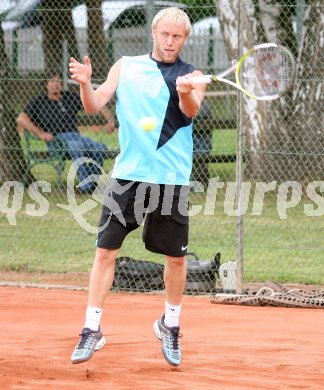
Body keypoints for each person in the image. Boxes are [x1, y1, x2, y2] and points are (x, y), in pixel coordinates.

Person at [69, 7, 205, 367]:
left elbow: (190, 112)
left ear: (184, 39)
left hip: (171, 177)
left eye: (177, 36)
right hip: (128, 174)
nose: (170, 41)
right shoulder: (125, 66)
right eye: (165, 34)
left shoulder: (192, 74)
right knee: (104, 252)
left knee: (176, 259)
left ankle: (170, 325)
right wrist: (85, 82)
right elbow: (95, 102)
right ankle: (91, 329)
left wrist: (187, 91)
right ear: (154, 32)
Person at [17, 73, 115, 193]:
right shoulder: (39, 101)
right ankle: (86, 188)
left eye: (58, 81)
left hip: (76, 136)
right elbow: (21, 118)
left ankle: (91, 182)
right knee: (77, 147)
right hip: (56, 140)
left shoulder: (69, 97)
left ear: (61, 84)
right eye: (52, 81)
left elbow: (94, 101)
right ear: (46, 85)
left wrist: (110, 120)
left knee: (100, 148)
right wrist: (41, 134)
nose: (55, 84)